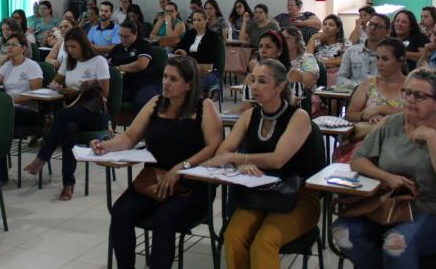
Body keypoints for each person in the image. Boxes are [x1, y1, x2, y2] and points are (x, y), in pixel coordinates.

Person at [335, 67, 436, 267]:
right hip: (388, 205)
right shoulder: (390, 124)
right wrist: (386, 177)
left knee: (396, 244)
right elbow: (358, 160)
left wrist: (432, 138)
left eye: (420, 96)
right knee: (343, 232)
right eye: (407, 93)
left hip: (432, 211)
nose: (411, 99)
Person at [96, 56, 222, 269]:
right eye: (165, 76)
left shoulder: (204, 107)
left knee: (164, 219)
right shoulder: (156, 103)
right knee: (120, 212)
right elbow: (130, 137)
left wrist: (181, 168)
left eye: (173, 79)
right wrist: (104, 146)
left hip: (191, 185)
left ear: (189, 84)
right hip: (153, 181)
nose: (166, 82)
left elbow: (213, 147)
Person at [205, 59, 325, 268]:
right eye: (252, 80)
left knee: (264, 241)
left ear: (280, 86)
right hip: (260, 193)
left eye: (262, 81)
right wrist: (240, 165)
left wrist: (238, 158)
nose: (254, 87)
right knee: (233, 236)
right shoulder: (250, 115)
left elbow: (277, 160)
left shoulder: (299, 116)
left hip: (298, 195)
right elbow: (223, 151)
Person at [25, 27, 111, 200]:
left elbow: (106, 93)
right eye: (68, 47)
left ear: (83, 45)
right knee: (69, 129)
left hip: (95, 113)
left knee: (63, 115)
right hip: (74, 110)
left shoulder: (98, 61)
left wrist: (87, 85)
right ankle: (68, 184)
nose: (70, 51)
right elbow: (55, 82)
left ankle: (43, 156)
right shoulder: (69, 62)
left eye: (73, 47)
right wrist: (56, 86)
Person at [0, 32, 43, 184]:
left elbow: (37, 95)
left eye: (13, 45)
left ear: (23, 48)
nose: (9, 47)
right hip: (8, 110)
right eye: (7, 44)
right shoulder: (7, 66)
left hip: (29, 111)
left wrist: (11, 100)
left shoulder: (32, 66)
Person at [334, 38, 407, 163]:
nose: (379, 63)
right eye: (377, 58)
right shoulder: (369, 84)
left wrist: (382, 109)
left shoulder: (412, 85)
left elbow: (418, 115)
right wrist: (366, 115)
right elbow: (350, 115)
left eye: (385, 59)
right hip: (367, 139)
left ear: (401, 60)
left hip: (400, 141)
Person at [109, 20, 158, 111]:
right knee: (107, 95)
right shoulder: (117, 48)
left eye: (126, 36)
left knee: (141, 101)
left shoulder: (143, 44)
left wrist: (119, 68)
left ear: (135, 34)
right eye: (120, 35)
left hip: (145, 82)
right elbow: (108, 65)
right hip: (125, 84)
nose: (123, 39)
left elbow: (141, 65)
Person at [174, 10, 223, 96]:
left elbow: (208, 57)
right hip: (188, 68)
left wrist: (187, 55)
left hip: (207, 71)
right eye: (194, 20)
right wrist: (178, 51)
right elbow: (179, 47)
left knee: (191, 85)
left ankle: (195, 100)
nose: (196, 23)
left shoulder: (212, 36)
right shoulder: (189, 33)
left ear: (206, 20)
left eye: (199, 20)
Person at [336, 14, 390, 89]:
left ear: (387, 31)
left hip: (381, 93)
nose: (372, 28)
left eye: (378, 26)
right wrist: (359, 87)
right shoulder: (351, 51)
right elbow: (340, 78)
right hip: (355, 92)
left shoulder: (391, 54)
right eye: (370, 24)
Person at [305, 14, 347, 87]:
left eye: (331, 25)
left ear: (338, 29)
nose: (326, 27)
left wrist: (316, 62)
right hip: (315, 76)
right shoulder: (316, 44)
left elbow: (343, 61)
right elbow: (306, 59)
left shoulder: (344, 44)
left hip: (336, 78)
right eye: (324, 24)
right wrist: (313, 38)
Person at [282, 26, 319, 101]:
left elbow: (307, 82)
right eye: (281, 38)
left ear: (297, 42)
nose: (282, 41)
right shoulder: (278, 60)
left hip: (305, 99)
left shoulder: (307, 59)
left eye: (287, 38)